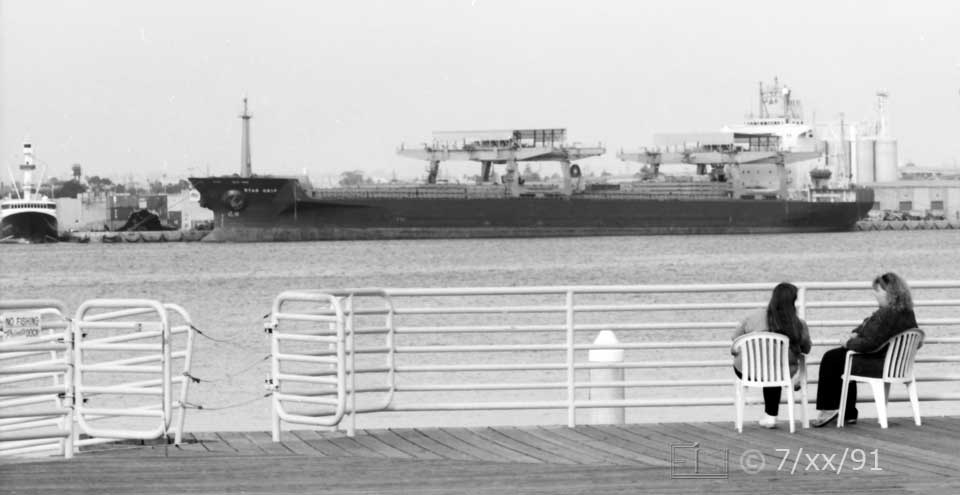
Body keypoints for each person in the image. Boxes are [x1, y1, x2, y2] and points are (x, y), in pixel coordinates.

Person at [811, 272, 918, 427]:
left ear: (890, 293)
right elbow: (914, 339)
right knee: (841, 358)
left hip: (879, 364)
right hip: (898, 365)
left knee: (832, 357)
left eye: (878, 291)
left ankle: (830, 407)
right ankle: (848, 412)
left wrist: (848, 342)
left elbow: (870, 344)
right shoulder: (907, 312)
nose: (875, 294)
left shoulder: (886, 314)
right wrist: (857, 333)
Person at [731, 282, 812, 428]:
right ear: (793, 301)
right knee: (774, 371)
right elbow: (806, 349)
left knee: (767, 369)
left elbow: (735, 338)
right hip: (781, 374)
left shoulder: (753, 316)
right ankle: (770, 416)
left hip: (749, 371)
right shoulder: (798, 324)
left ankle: (767, 416)